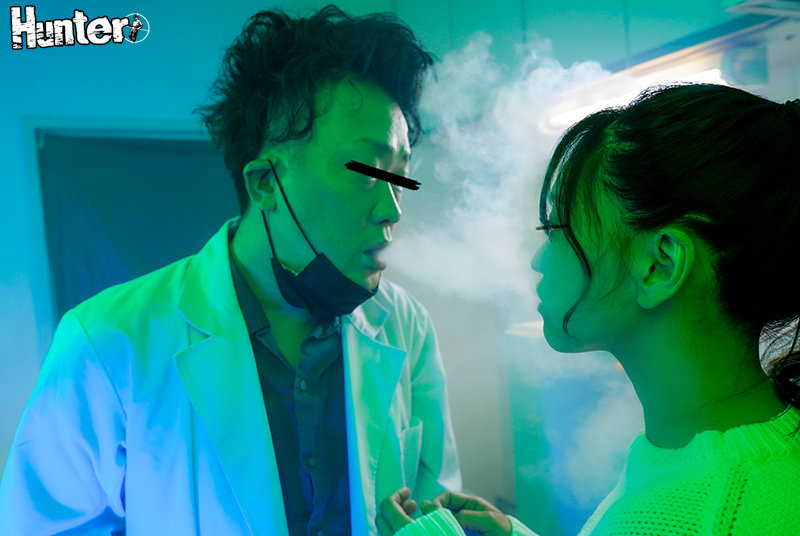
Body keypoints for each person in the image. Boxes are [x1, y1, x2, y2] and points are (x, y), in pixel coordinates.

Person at [0, 5, 461, 535]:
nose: (391, 209)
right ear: (265, 183)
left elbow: (435, 509)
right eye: (367, 172)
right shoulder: (107, 340)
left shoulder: (406, 326)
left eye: (399, 177)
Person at [378, 83, 800, 535]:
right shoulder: (746, 453)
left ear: (659, 265)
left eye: (557, 228)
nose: (539, 260)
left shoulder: (689, 517)